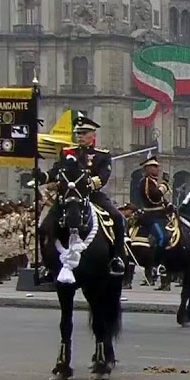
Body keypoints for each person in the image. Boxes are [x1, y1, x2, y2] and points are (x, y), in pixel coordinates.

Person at [35, 114, 127, 276]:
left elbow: (103, 177)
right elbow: (55, 172)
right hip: (68, 197)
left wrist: (86, 185)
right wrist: (41, 177)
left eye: (84, 133)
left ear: (93, 135)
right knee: (44, 227)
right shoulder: (67, 152)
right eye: (78, 133)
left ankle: (117, 257)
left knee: (117, 217)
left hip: (92, 196)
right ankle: (48, 264)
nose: (80, 136)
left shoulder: (101, 155)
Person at [137, 156, 172, 253]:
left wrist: (168, 204)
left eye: (157, 166)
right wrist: (164, 185)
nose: (157, 169)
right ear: (148, 169)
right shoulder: (145, 182)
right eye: (154, 166)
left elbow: (160, 200)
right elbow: (154, 198)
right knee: (163, 238)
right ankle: (156, 263)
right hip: (152, 217)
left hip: (161, 216)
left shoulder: (153, 182)